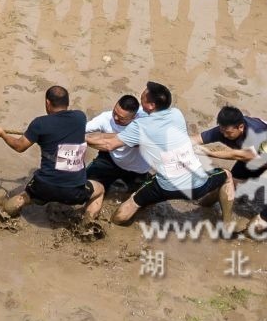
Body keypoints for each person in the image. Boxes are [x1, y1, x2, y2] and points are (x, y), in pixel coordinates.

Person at [90, 81, 235, 229]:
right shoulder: (176, 114)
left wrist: (81, 137)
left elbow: (108, 145)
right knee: (227, 175)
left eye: (144, 96)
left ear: (151, 105)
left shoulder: (140, 126)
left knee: (132, 204)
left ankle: (114, 227)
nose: (141, 95)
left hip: (165, 185)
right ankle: (223, 221)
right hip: (197, 184)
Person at [0, 85, 103, 235]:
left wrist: (2, 134)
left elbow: (19, 146)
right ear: (67, 102)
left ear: (48, 103)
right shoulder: (80, 117)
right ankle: (87, 225)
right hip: (74, 190)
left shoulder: (39, 124)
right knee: (100, 189)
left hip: (44, 187)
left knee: (23, 197)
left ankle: (3, 213)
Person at [84, 95, 154, 200]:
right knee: (82, 184)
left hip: (137, 170)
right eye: (115, 113)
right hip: (111, 160)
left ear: (134, 117)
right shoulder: (106, 117)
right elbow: (81, 129)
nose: (115, 118)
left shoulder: (146, 123)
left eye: (121, 118)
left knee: (137, 200)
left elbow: (112, 143)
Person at [198, 105, 267, 182]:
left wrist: (210, 153)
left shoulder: (256, 134)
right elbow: (197, 139)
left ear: (241, 127)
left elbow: (240, 156)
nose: (225, 135)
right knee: (231, 180)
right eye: (222, 131)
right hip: (247, 158)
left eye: (228, 133)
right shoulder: (227, 127)